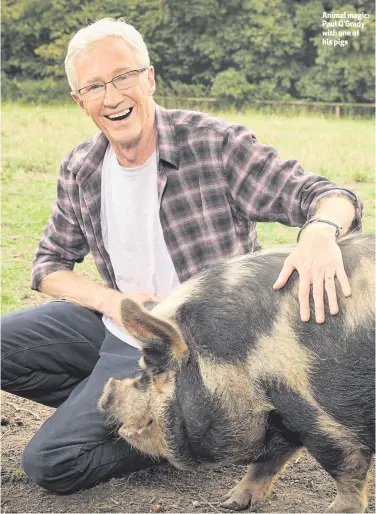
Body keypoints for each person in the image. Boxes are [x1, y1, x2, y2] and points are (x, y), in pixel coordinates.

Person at [1, 18, 362, 494]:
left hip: (193, 350)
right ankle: (160, 419)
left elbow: (331, 196)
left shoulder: (212, 144)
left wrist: (319, 231)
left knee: (52, 462)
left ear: (149, 78)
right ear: (79, 100)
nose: (112, 97)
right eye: (94, 86)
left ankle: (181, 431)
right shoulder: (82, 166)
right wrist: (114, 301)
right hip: (119, 325)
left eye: (123, 76)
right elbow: (48, 266)